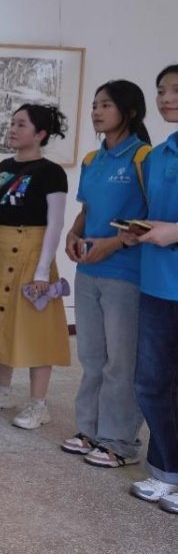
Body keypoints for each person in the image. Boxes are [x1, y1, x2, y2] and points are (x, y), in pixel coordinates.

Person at [62, 81, 151, 467]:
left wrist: (112, 244)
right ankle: (90, 430)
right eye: (95, 105)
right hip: (88, 271)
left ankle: (120, 441)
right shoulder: (91, 160)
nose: (97, 112)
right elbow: (87, 210)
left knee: (121, 362)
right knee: (92, 357)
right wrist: (73, 234)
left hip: (126, 273)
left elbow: (152, 220)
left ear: (129, 111)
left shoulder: (144, 157)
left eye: (106, 105)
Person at [0, 104, 70, 430]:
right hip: (3, 252)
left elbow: (55, 224)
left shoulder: (51, 172)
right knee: (2, 322)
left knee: (35, 330)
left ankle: (38, 405)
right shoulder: (3, 167)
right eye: (12, 123)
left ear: (40, 133)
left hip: (32, 256)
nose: (12, 129)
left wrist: (42, 271)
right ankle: (2, 391)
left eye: (21, 124)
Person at [122, 64, 178, 513]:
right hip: (158, 283)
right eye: (161, 90)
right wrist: (138, 231)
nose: (165, 98)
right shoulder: (157, 156)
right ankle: (165, 472)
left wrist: (174, 231)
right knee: (152, 382)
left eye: (175, 90)